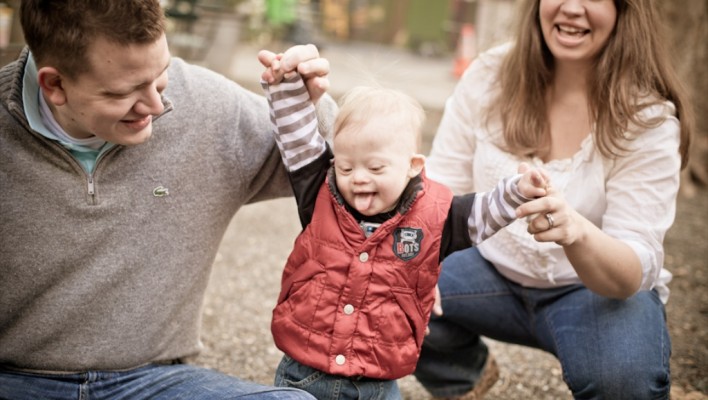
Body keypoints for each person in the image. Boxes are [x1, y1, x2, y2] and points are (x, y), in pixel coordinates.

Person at [0, 1, 335, 399]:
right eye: (124, 91)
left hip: (154, 383)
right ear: (54, 84)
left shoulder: (208, 106)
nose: (157, 107)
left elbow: (344, 176)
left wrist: (306, 107)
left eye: (161, 76)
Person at [413, 0, 694, 399]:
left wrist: (577, 233)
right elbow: (440, 188)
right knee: (374, 280)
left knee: (623, 381)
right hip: (488, 270)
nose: (572, 7)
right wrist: (410, 270)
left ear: (624, 10)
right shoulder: (490, 76)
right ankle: (464, 376)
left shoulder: (648, 118)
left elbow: (633, 267)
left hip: (594, 292)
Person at [257, 61, 550, 399]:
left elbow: (483, 212)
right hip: (302, 373)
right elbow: (299, 143)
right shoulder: (320, 193)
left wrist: (518, 191)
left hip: (377, 383)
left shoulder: (435, 216)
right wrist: (285, 89)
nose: (359, 178)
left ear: (413, 166)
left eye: (376, 167)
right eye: (347, 166)